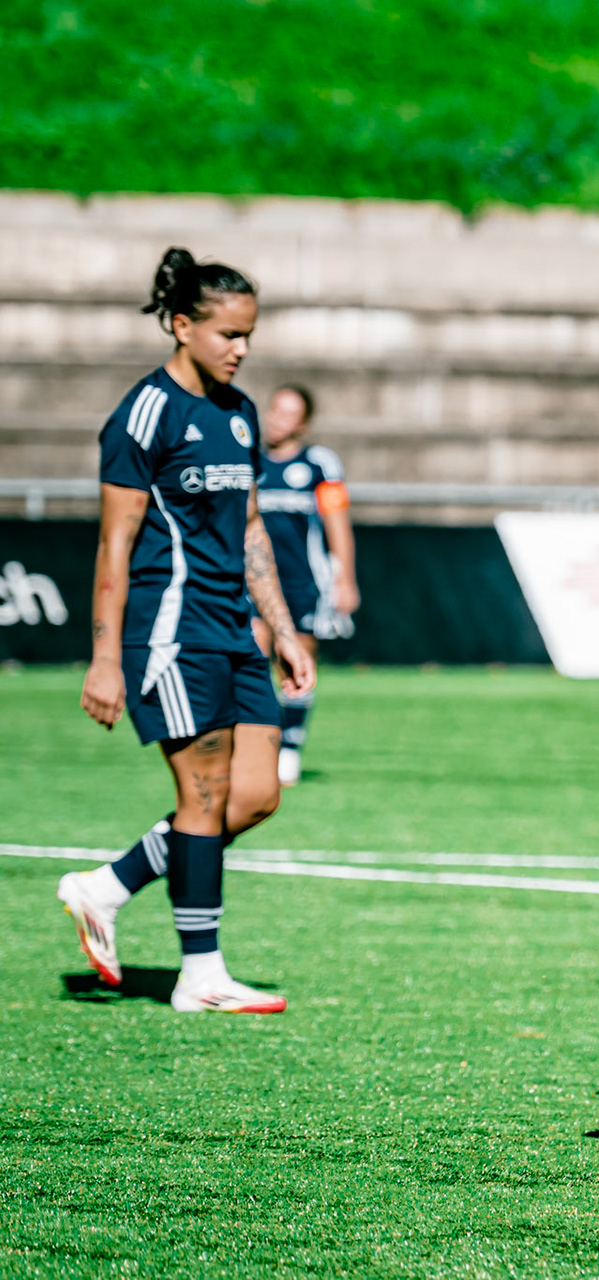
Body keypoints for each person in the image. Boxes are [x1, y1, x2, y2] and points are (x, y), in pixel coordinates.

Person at [56, 247, 316, 1014]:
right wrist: (104, 659)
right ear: (181, 325)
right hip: (167, 635)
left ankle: (104, 886)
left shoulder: (238, 415)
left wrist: (285, 629)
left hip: (236, 633)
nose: (241, 349)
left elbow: (250, 531)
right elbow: (114, 542)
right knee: (201, 801)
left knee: (258, 795)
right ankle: (200, 975)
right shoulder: (144, 414)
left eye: (249, 336)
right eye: (228, 334)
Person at [253, 384, 358, 786]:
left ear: (304, 422)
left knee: (295, 663)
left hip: (303, 584)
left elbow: (338, 524)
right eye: (274, 409)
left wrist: (345, 578)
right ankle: (257, 743)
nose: (277, 418)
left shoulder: (320, 465)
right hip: (254, 583)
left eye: (288, 413)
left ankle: (290, 747)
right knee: (251, 654)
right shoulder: (250, 462)